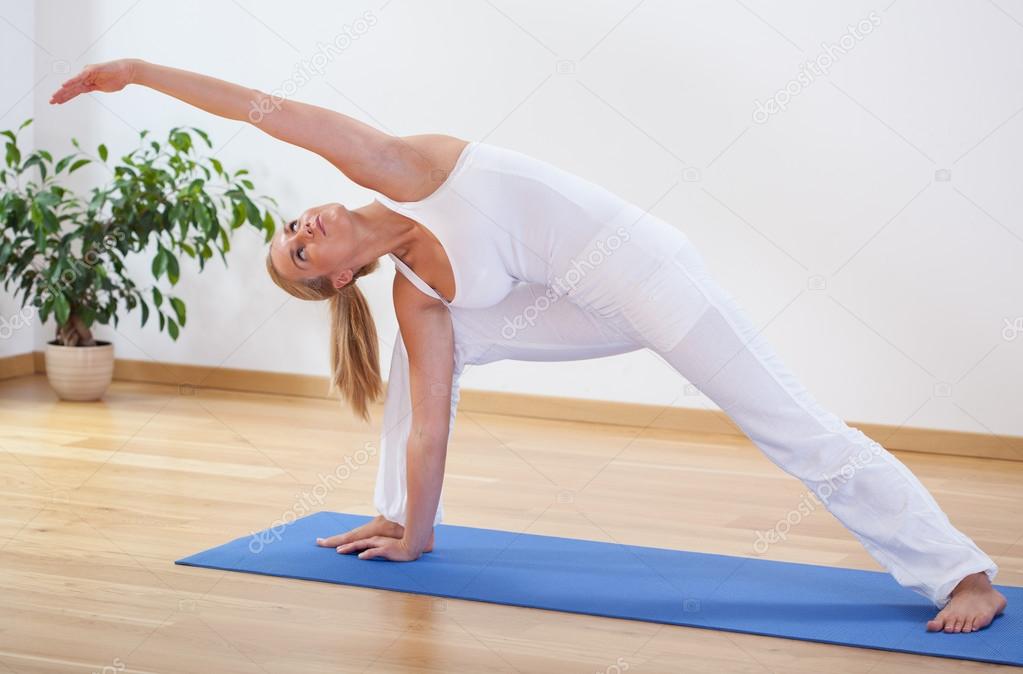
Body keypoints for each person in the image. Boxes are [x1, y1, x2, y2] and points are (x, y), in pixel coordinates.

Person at [50, 58, 1007, 633]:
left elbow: (273, 111)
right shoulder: (416, 296)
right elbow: (431, 429)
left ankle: (957, 569)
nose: (303, 226)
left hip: (641, 270)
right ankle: (395, 518)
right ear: (334, 278)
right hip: (570, 302)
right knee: (423, 369)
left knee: (785, 424)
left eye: (292, 228)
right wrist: (419, 534)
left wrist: (140, 73)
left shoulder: (398, 171)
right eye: (301, 249)